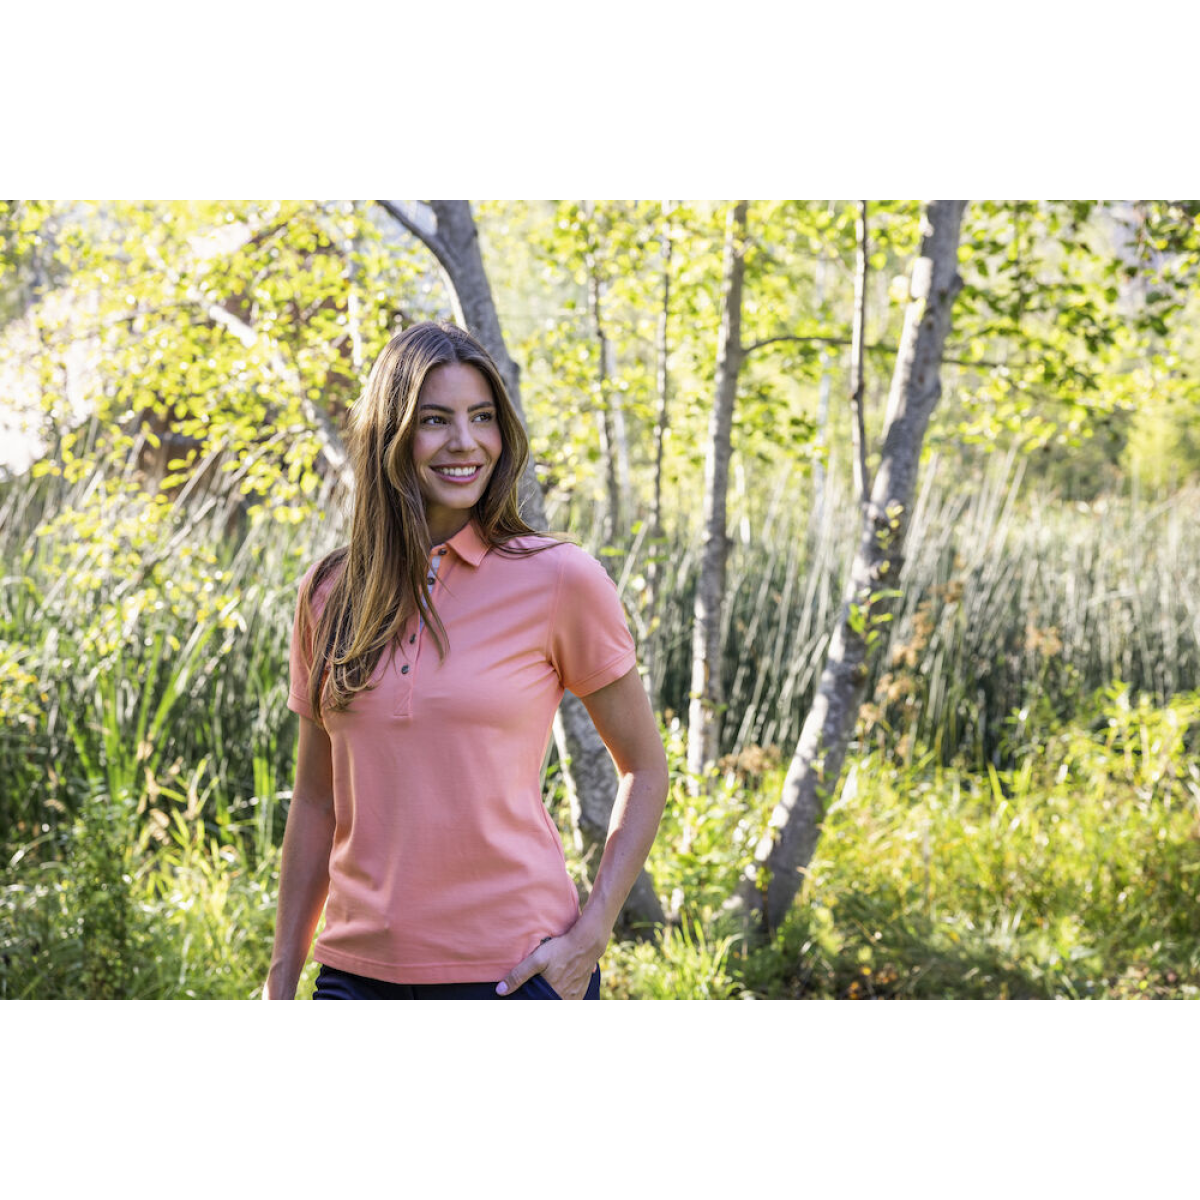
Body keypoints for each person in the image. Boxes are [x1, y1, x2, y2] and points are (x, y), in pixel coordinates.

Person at [265, 321, 668, 1000]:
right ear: (390, 436)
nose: (465, 441)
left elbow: (645, 768)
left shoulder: (559, 578)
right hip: (354, 975)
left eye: (482, 417)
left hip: (512, 974)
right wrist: (280, 980)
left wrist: (591, 934)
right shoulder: (330, 591)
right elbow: (314, 800)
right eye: (435, 420)